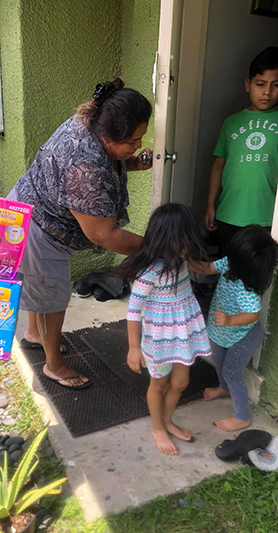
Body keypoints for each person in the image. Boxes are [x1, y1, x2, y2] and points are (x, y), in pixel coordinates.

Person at [8, 78, 153, 389]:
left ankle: (35, 334)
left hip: (28, 208)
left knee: (42, 290)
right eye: (132, 141)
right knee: (52, 296)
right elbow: (104, 234)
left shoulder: (89, 120)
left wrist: (129, 163)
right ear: (106, 136)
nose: (138, 145)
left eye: (140, 138)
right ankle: (54, 365)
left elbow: (106, 161)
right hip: (39, 229)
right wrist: (156, 247)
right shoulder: (85, 167)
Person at [118, 203, 212, 456]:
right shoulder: (149, 272)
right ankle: (158, 427)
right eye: (185, 239)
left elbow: (202, 267)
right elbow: (133, 311)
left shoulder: (181, 260)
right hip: (158, 340)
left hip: (182, 334)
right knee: (158, 385)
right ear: (167, 239)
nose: (189, 245)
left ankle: (168, 420)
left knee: (181, 382)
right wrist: (134, 348)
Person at [189, 225, 278, 432]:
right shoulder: (230, 264)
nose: (230, 257)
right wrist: (186, 261)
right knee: (219, 362)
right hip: (222, 331)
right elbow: (207, 268)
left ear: (246, 264)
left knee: (231, 371)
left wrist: (229, 320)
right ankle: (223, 388)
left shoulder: (248, 290)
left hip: (243, 335)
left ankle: (241, 416)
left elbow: (253, 315)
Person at [205, 46, 278, 256]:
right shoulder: (232, 122)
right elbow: (218, 165)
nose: (267, 92)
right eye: (260, 84)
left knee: (258, 275)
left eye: (275, 85)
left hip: (267, 217)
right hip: (230, 214)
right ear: (248, 85)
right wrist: (211, 205)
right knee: (229, 269)